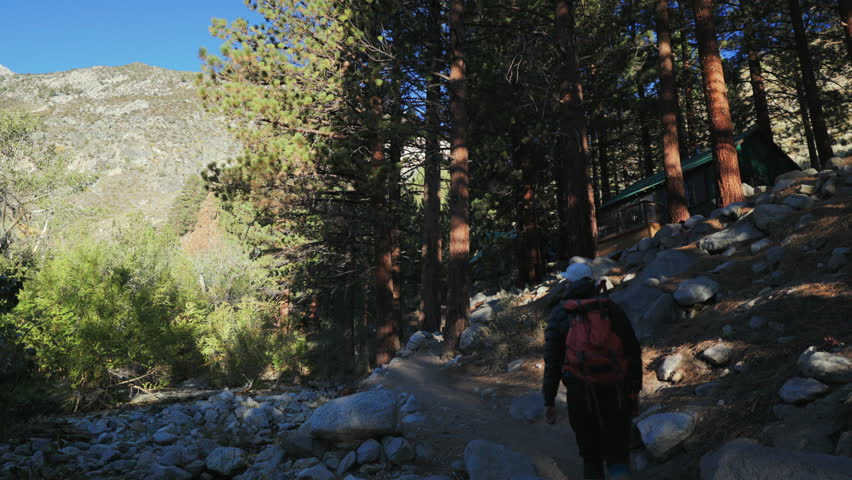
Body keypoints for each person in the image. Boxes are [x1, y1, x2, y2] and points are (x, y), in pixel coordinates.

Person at [542, 263, 642, 480]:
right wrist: (634, 390)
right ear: (592, 282)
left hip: (580, 391)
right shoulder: (610, 308)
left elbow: (552, 362)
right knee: (617, 452)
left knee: (591, 456)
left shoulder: (561, 313)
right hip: (614, 387)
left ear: (570, 283)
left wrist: (548, 400)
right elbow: (632, 350)